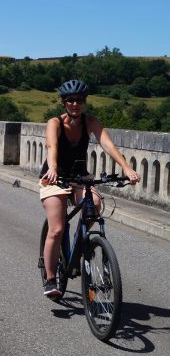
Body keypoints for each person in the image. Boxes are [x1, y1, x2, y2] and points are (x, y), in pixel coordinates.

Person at [39, 79, 140, 298]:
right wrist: (53, 168)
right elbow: (51, 146)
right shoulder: (55, 122)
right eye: (71, 100)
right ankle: (49, 278)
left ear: (84, 102)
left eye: (80, 100)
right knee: (56, 229)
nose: (75, 104)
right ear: (64, 103)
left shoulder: (91, 122)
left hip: (79, 178)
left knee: (94, 203)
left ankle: (80, 240)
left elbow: (107, 145)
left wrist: (127, 169)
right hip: (54, 178)